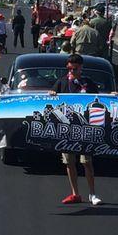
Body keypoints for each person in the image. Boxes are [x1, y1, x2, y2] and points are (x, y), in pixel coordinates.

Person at [49, 54, 102, 206]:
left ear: (81, 67)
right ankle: (75, 193)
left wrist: (113, 95)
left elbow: (99, 99)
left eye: (75, 68)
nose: (72, 70)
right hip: (67, 129)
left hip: (85, 128)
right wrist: (52, 94)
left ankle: (92, 193)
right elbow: (52, 100)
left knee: (86, 161)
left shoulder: (88, 83)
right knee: (69, 162)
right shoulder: (61, 82)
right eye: (70, 68)